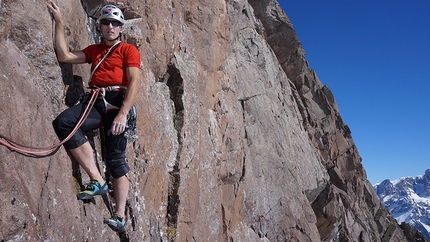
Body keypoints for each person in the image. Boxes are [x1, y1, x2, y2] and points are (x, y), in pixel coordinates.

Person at [47, 1, 141, 233]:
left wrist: (122, 114)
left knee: (116, 158)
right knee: (64, 122)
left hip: (118, 103)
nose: (110, 26)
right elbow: (65, 56)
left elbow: (135, 82)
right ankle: (97, 180)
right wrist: (59, 22)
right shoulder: (95, 50)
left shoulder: (128, 50)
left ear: (121, 28)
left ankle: (119, 215)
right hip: (97, 101)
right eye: (106, 22)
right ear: (100, 26)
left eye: (115, 23)